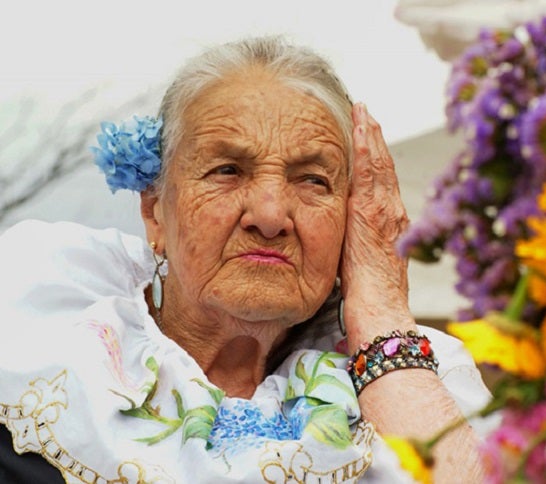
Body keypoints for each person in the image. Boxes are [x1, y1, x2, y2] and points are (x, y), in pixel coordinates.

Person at [0, 36, 490, 482]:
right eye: (227, 171)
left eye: (313, 180)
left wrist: (381, 310)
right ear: (155, 211)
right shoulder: (40, 325)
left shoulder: (417, 377)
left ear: (354, 219)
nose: (271, 215)